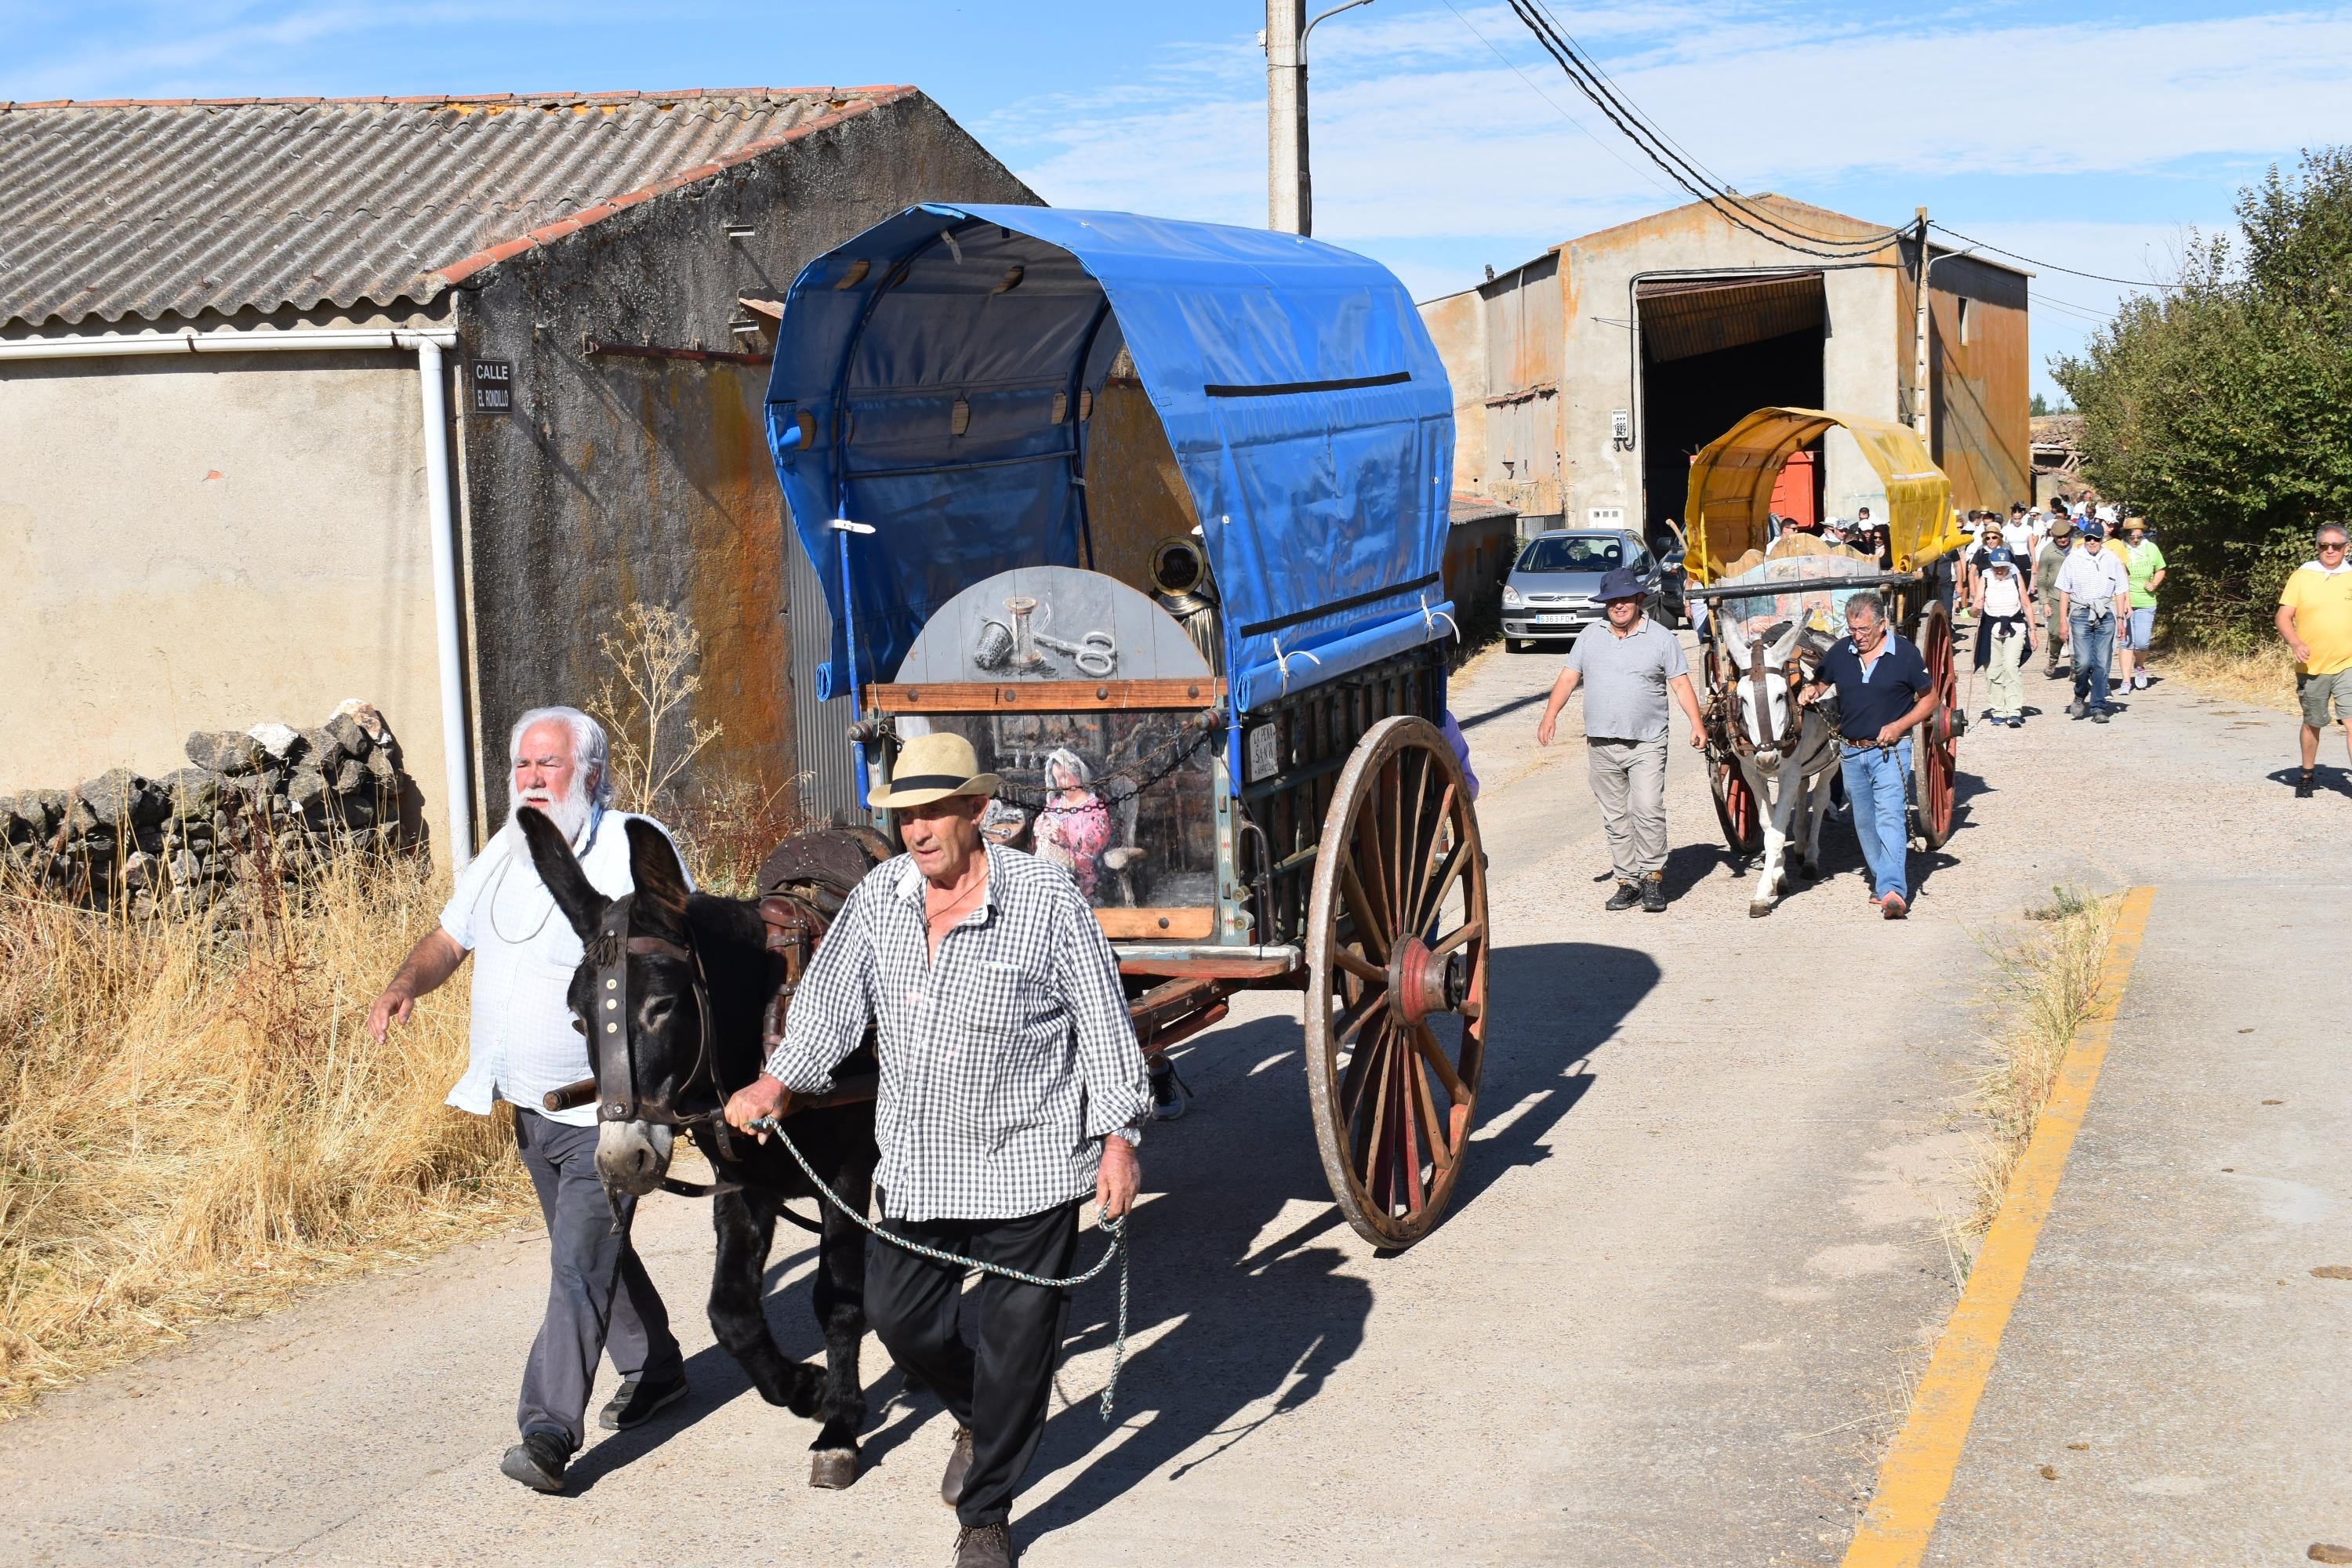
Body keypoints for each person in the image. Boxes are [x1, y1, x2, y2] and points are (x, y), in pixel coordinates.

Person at [724, 731, 1149, 1568]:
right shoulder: (880, 898)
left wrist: (1118, 1138)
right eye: (905, 814)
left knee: (1018, 1342)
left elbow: (1104, 1026)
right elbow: (829, 1006)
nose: (916, 830)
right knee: (902, 1319)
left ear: (977, 811)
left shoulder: (1045, 901)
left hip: (1028, 1161)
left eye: (933, 811)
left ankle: (987, 1512)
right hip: (920, 1166)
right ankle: (988, 1412)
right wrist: (777, 1083)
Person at [367, 707, 689, 1494]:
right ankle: (657, 1367)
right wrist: (407, 981)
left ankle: (547, 1430)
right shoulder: (504, 853)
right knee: (586, 1252)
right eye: (522, 766)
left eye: (550, 764)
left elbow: (675, 966)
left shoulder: (631, 849)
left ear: (594, 772)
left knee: (578, 1266)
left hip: (604, 1111)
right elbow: (451, 937)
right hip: (527, 1109)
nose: (533, 778)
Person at [1534, 567, 1706, 913]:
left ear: (1640, 599)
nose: (1619, 605)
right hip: (1601, 742)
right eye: (1612, 600)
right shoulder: (1589, 637)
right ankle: (1627, 881)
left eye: (1626, 598)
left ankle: (1652, 877)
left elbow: (1681, 684)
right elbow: (1568, 678)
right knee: (1615, 816)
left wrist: (1696, 724)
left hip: (1646, 741)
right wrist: (1549, 716)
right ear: (1605, 604)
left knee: (1647, 808)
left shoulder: (1661, 638)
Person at [1798, 592, 1939, 919]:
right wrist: (1811, 691)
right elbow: (1821, 682)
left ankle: (1893, 890)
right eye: (1852, 630)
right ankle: (1881, 880)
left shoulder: (1904, 654)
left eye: (1863, 630)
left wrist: (1899, 725)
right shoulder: (1841, 651)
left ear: (1882, 624)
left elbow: (1930, 700)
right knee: (1864, 822)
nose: (1858, 637)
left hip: (1891, 750)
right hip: (1851, 752)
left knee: (1889, 815)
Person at [2277, 521, 2352, 799]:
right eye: (2324, 546)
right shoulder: (2302, 576)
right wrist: (2295, 643)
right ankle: (2307, 772)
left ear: (2347, 548)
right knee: (2314, 721)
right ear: (2317, 547)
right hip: (2313, 665)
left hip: (2348, 662)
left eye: (2336, 546)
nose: (2330, 551)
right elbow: (2283, 616)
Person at [2056, 519, 2131, 722]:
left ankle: (2098, 707)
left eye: (2096, 539)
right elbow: (2064, 591)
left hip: (2106, 613)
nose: (2092, 542)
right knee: (2082, 662)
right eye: (2088, 538)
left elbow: (2122, 589)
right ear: (2084, 539)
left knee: (2102, 663)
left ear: (2102, 539)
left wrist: (2121, 619)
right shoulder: (2073, 559)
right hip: (2081, 612)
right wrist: (2063, 621)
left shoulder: (2112, 558)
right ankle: (2081, 693)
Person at [1973, 546, 2035, 727]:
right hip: (1990, 628)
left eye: (2003, 567)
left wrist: (2033, 631)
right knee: (1993, 670)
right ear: (1991, 566)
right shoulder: (1984, 577)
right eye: (1997, 567)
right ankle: (1998, 710)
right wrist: (1976, 608)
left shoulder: (2015, 575)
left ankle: (2014, 711)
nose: (2000, 571)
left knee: (2010, 667)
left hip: (2015, 626)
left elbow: (2026, 603)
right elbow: (1974, 610)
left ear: (2009, 566)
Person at [2121, 517, 2166, 688]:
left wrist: (2154, 583)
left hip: (2146, 600)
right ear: (2126, 535)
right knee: (2126, 642)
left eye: (2139, 536)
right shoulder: (2121, 549)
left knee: (2142, 643)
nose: (2136, 539)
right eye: (2132, 536)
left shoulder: (2151, 548)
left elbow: (2161, 569)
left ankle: (2139, 666)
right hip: (2125, 601)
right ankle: (2126, 681)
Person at [2033, 514, 2074, 677]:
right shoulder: (2047, 552)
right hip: (2055, 597)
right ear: (2053, 535)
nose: (2063, 539)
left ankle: (2075, 668)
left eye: (2066, 536)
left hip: (2076, 597)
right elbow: (2041, 579)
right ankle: (2053, 659)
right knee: (2056, 632)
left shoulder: (2078, 548)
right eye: (2059, 537)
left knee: (2076, 633)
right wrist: (2044, 602)